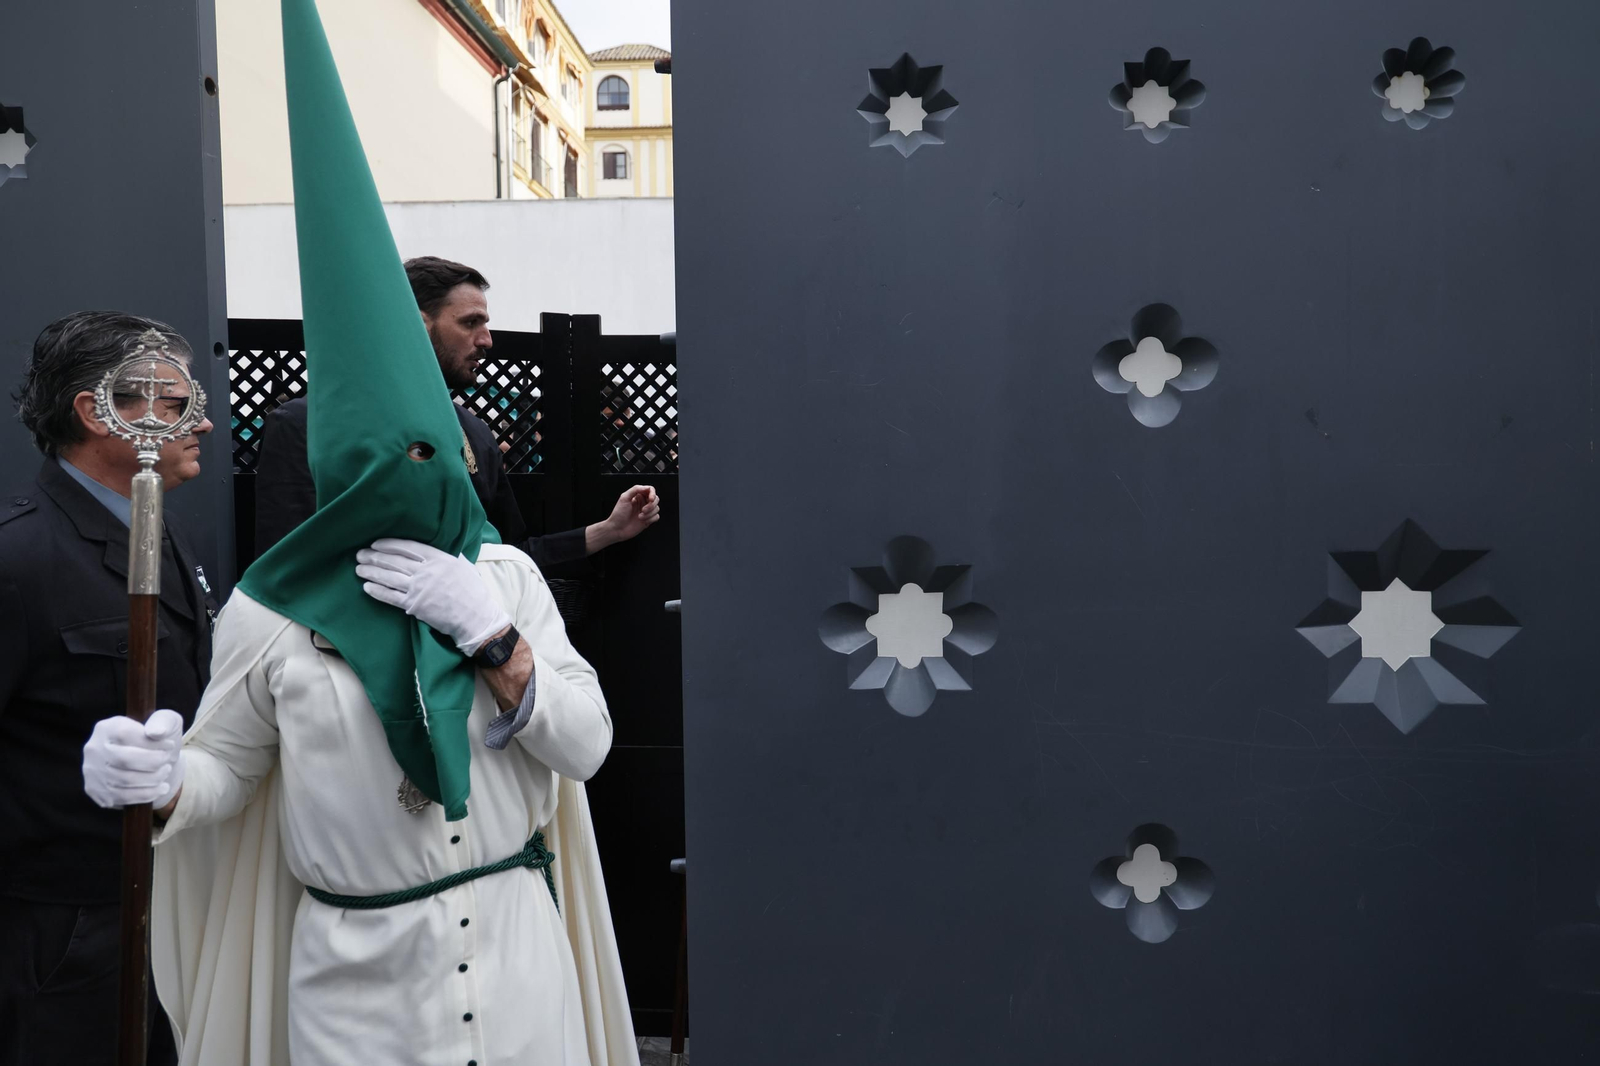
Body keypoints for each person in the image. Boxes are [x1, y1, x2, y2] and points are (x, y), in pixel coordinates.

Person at [83, 3, 637, 1061]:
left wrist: (500, 644)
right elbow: (222, 775)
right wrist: (154, 784)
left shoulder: (506, 577)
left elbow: (587, 745)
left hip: (522, 968)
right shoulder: (272, 612)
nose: (412, 481)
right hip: (356, 988)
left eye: (430, 456)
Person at [0, 311, 216, 1066]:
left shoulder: (163, 531)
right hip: (62, 928)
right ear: (96, 412)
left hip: (170, 901)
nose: (205, 422)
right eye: (172, 399)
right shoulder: (20, 558)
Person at [252, 255, 661, 569]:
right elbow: (286, 563)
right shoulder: (306, 427)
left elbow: (506, 556)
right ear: (413, 324)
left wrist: (607, 532)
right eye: (470, 322)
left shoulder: (476, 434)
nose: (487, 340)